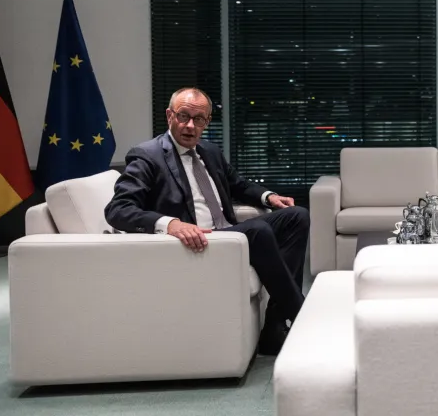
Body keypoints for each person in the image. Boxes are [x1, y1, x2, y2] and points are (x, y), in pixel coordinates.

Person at [104, 87, 309, 355]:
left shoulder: (209, 151)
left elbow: (239, 185)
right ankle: (304, 314)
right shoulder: (147, 156)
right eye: (183, 116)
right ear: (169, 116)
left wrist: (269, 197)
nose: (190, 126)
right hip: (198, 240)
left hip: (228, 233)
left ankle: (273, 328)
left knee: (297, 216)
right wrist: (170, 224)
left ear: (207, 122)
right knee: (258, 229)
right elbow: (118, 209)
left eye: (198, 119)